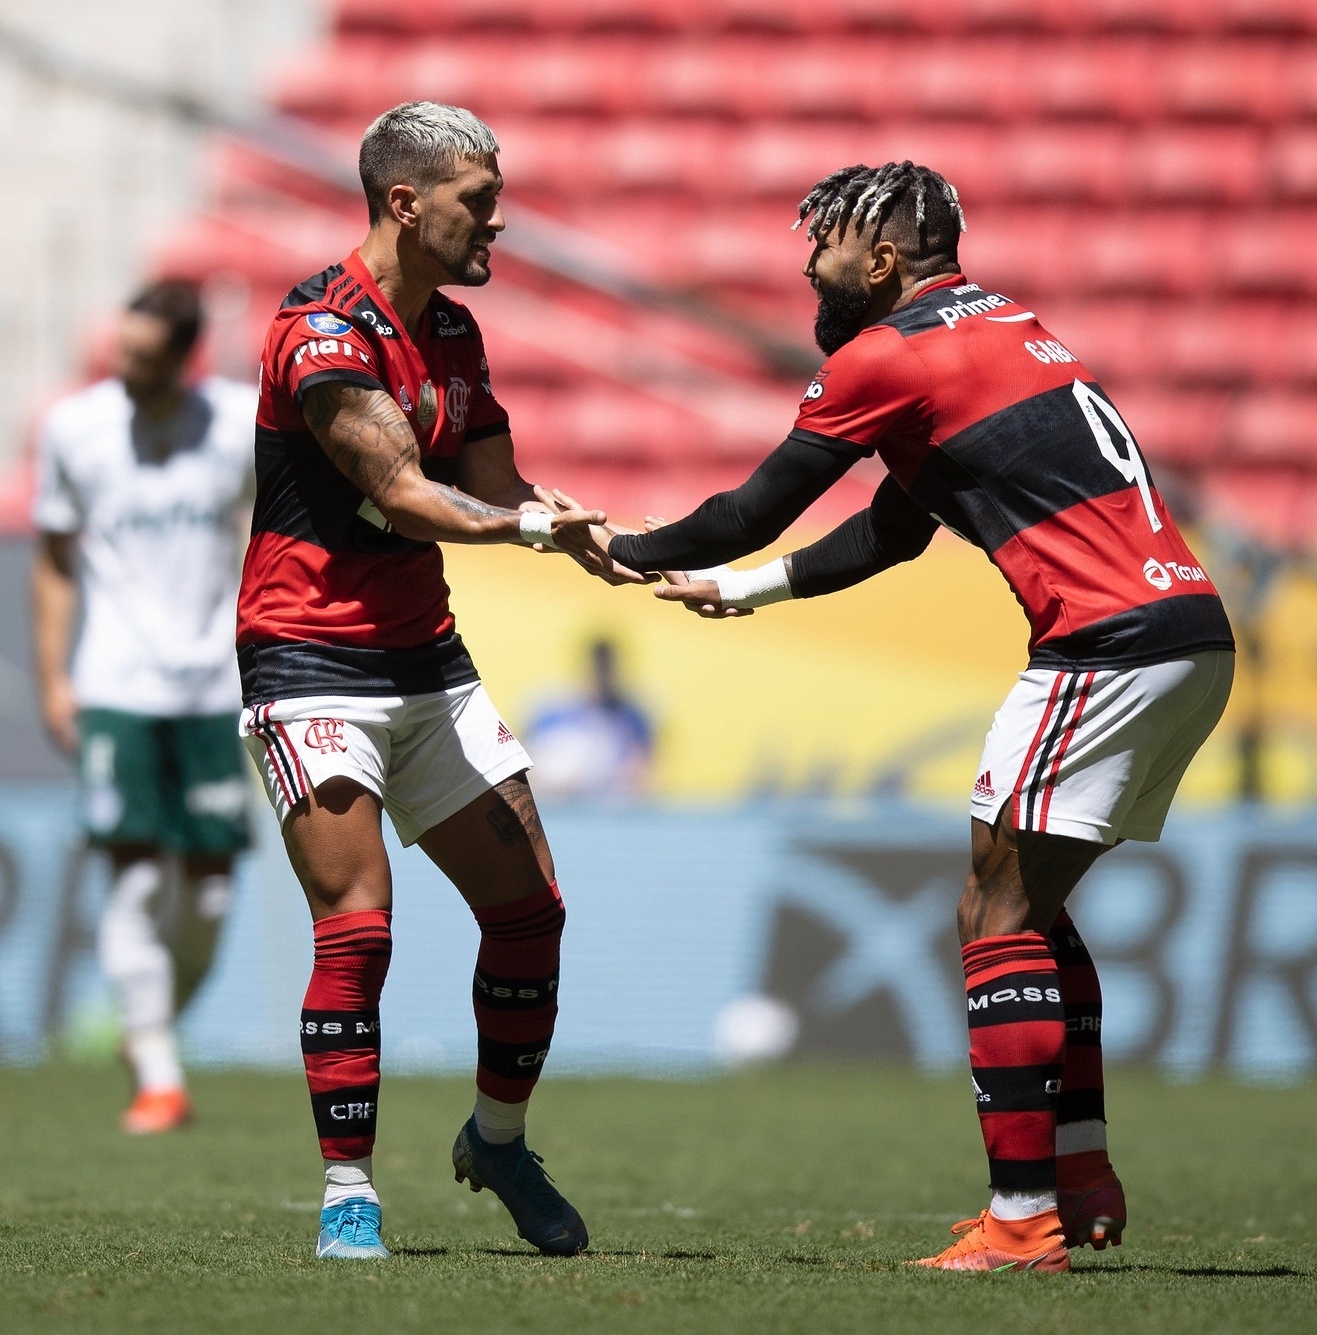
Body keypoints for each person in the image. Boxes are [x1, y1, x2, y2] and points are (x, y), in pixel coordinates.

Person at [556, 160, 1236, 1273]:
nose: (808, 268)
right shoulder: (1005, 329)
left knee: (995, 913)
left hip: (1102, 646)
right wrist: (742, 592)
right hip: (1184, 635)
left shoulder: (886, 353)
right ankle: (1077, 1171)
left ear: (878, 262)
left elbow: (751, 505)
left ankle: (1021, 1223)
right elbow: (890, 532)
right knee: (1030, 911)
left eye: (821, 247)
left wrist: (623, 550)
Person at [237, 101, 638, 1261]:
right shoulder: (318, 332)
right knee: (358, 930)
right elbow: (412, 494)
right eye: (478, 198)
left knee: (530, 916)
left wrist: (604, 537)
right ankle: (347, 1192)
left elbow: (505, 486)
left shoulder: (454, 336)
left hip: (426, 660)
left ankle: (498, 1142)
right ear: (405, 203)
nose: (499, 219)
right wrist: (531, 529)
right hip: (308, 658)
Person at [31, 279, 256, 1134]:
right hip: (116, 684)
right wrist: (56, 676)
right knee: (131, 877)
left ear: (184, 359)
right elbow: (52, 559)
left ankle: (149, 1030)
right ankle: (160, 1074)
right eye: (120, 350)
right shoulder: (75, 428)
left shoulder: (234, 425)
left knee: (207, 903)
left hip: (211, 686)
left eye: (145, 358)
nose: (126, 368)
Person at [525, 637, 655, 800]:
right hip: (557, 805)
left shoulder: (632, 716)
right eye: (598, 669)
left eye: (607, 669)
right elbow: (528, 767)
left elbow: (642, 775)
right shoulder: (553, 709)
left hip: (607, 809)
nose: (602, 676)